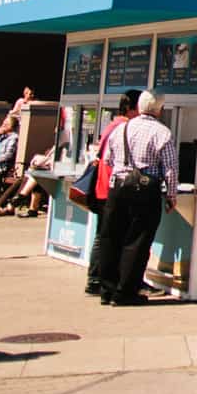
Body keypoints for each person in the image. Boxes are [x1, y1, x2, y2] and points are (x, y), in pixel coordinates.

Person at [96, 88, 178, 306]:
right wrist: (171, 195)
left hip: (118, 187)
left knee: (112, 237)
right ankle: (126, 291)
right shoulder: (162, 133)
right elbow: (170, 168)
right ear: (159, 110)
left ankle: (107, 289)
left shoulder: (121, 129)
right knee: (137, 242)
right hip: (145, 191)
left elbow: (108, 160)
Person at [84, 91, 139, 296]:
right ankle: (99, 279)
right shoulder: (123, 127)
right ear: (133, 108)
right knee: (110, 236)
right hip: (111, 187)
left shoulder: (112, 126)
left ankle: (97, 278)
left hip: (104, 186)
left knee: (104, 235)